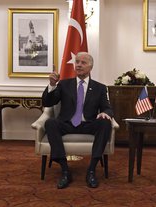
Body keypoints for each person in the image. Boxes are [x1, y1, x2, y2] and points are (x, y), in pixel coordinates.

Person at [42, 52, 113, 189]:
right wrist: (52, 85)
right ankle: (65, 170)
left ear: (90, 67)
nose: (79, 65)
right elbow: (48, 102)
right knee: (50, 123)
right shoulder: (63, 84)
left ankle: (91, 170)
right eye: (77, 62)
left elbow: (107, 108)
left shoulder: (100, 88)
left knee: (105, 123)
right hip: (67, 123)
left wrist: (105, 113)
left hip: (88, 124)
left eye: (83, 62)